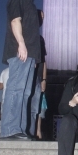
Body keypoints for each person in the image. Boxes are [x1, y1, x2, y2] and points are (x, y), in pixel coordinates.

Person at [0, 0, 42, 140]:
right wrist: (21, 44)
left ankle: (20, 129)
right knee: (16, 89)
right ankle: (9, 129)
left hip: (30, 55)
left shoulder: (31, 4)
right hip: (20, 51)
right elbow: (15, 21)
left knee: (25, 93)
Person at [28, 9, 47, 139]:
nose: (42, 18)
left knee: (35, 108)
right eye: (40, 16)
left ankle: (32, 133)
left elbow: (44, 61)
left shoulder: (40, 38)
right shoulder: (27, 34)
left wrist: (44, 79)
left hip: (38, 77)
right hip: (27, 74)